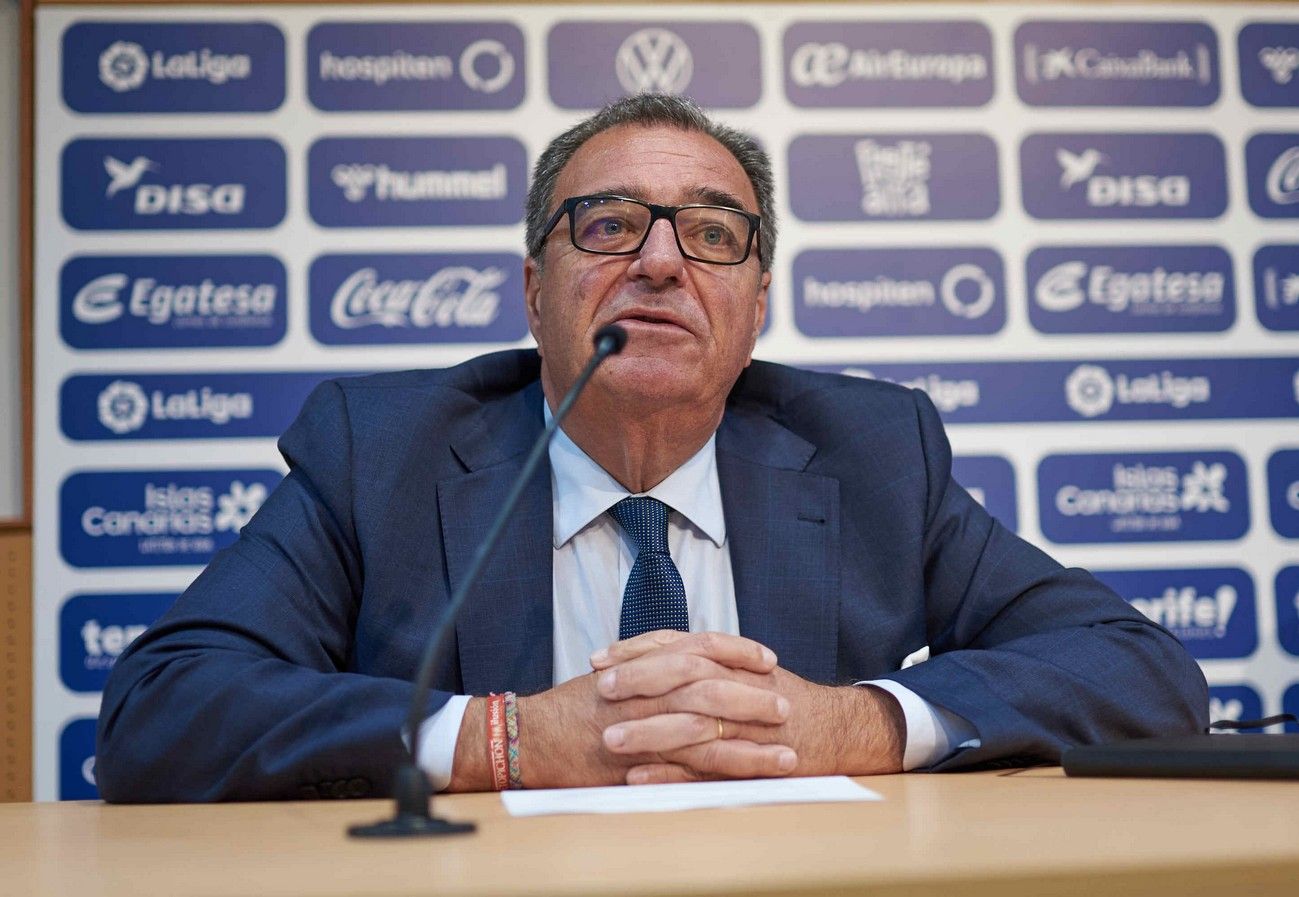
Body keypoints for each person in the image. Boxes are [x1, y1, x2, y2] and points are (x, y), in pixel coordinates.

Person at [96, 95, 1207, 801]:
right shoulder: (380, 450)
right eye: (609, 225)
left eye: (712, 234)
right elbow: (165, 710)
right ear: (535, 292)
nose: (663, 263)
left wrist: (853, 724)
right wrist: (504, 742)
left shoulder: (871, 452)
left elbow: (1140, 669)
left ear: (757, 299)